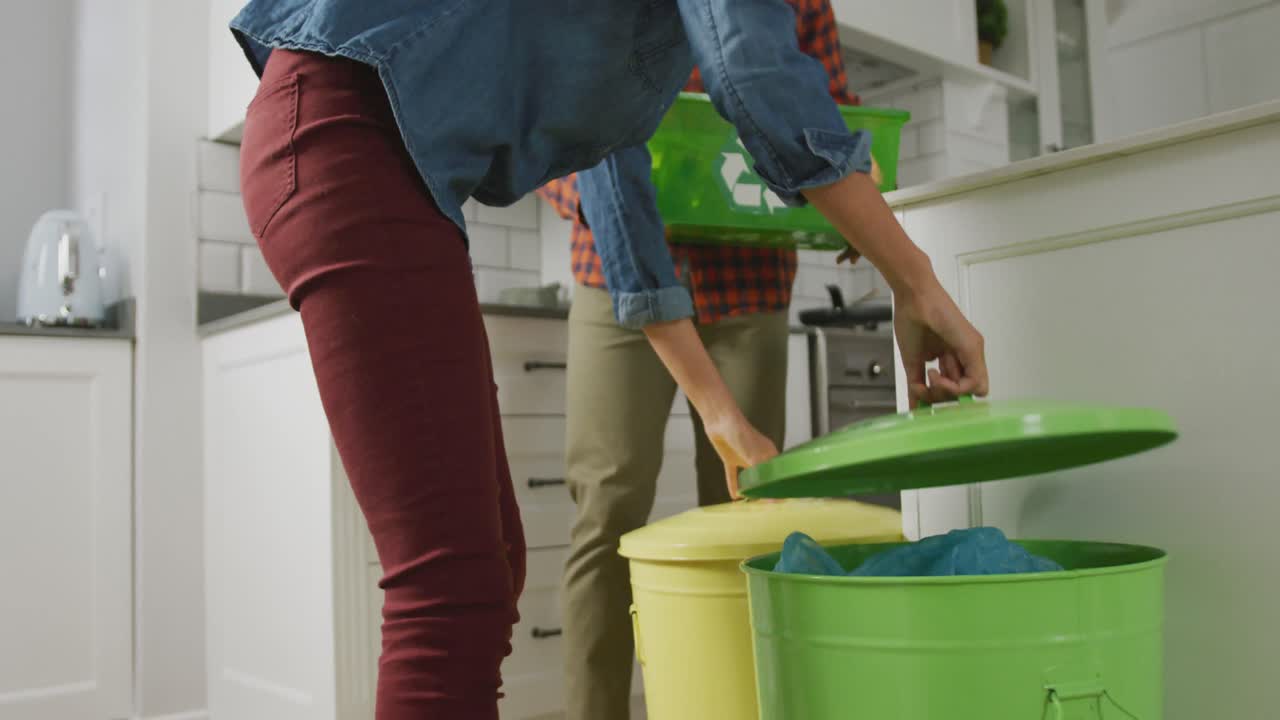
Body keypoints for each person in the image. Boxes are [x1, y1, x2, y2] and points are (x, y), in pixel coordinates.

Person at [229, 1, 990, 718]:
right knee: (452, 588)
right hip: (348, 137)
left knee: (487, 569)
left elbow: (617, 191)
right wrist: (916, 281)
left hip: (370, 152)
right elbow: (754, 70)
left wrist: (718, 411)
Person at [536, 2, 861, 716]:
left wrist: (850, 197)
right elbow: (552, 115)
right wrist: (602, 199)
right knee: (607, 510)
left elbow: (826, 106)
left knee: (748, 514)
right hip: (614, 279)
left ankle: (734, 704)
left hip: (749, 281)